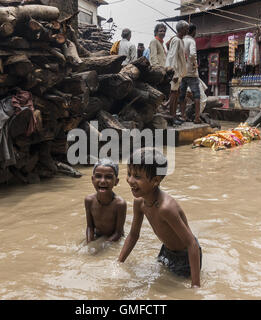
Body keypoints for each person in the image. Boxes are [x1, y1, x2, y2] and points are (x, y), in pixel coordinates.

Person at [118, 148, 202, 288]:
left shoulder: (166, 208)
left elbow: (191, 244)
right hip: (166, 250)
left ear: (155, 180)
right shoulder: (140, 202)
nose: (130, 180)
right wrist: (119, 263)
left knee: (167, 288)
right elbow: (133, 235)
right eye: (129, 174)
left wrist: (196, 286)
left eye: (137, 177)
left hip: (186, 256)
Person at [85, 159, 127, 243]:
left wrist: (101, 246)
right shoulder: (89, 200)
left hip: (114, 238)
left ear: (116, 181)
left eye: (108, 177)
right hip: (98, 236)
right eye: (98, 176)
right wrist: (89, 243)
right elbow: (90, 227)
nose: (103, 181)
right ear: (92, 179)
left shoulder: (119, 204)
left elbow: (118, 233)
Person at [165, 21, 188, 126]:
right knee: (173, 95)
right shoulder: (177, 40)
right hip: (175, 72)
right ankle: (172, 117)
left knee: (176, 94)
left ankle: (174, 115)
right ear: (181, 29)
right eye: (186, 29)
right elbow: (172, 57)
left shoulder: (179, 40)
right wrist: (173, 74)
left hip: (178, 72)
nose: (187, 31)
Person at [179, 23, 201, 123]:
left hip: (182, 71)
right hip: (191, 72)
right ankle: (197, 117)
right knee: (196, 95)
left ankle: (183, 116)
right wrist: (194, 64)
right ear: (193, 31)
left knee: (182, 95)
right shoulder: (191, 41)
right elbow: (192, 54)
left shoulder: (182, 40)